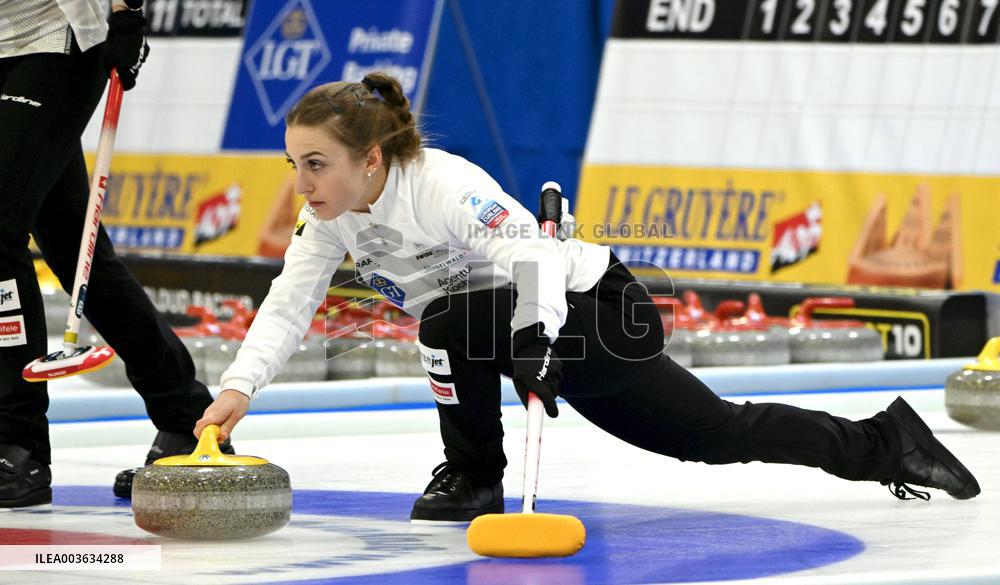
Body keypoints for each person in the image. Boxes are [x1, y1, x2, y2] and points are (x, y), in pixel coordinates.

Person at [195, 72, 980, 523]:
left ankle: (474, 476)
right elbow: (290, 300)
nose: (301, 184)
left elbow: (532, 249)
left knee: (703, 432)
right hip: (521, 325)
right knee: (705, 435)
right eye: (295, 163)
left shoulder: (443, 185)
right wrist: (238, 388)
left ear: (371, 160)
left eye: (316, 163)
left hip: (598, 307)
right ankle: (886, 442)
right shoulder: (329, 219)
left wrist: (534, 336)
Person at [0, 0, 230, 508]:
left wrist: (127, 12)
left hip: (53, 32)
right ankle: (186, 418)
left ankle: (18, 444)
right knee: (76, 251)